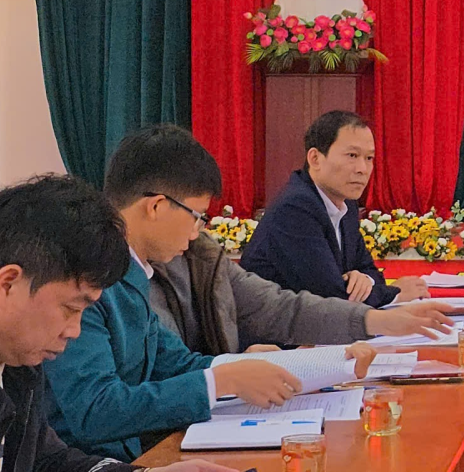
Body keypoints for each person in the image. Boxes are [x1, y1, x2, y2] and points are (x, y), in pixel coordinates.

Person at [44, 126, 373, 460]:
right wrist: (220, 381)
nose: (197, 232)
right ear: (156, 206)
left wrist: (253, 366)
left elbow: (175, 362)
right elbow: (95, 410)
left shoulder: (135, 272)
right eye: (197, 217)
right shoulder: (89, 279)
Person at [0, 174, 234, 472]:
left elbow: (48, 460)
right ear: (8, 284)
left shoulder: (12, 353)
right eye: (71, 308)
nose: (74, 330)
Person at [144, 136, 456, 355]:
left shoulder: (201, 255)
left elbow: (279, 307)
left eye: (369, 158)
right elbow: (158, 379)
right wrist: (226, 371)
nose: (198, 232)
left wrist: (377, 320)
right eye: (197, 217)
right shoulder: (295, 207)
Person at [241, 111, 427, 306]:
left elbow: (369, 270)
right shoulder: (295, 208)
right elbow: (331, 297)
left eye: (369, 158)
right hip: (271, 323)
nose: (362, 169)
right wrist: (395, 293)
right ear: (315, 158)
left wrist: (364, 280)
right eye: (352, 155)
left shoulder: (347, 205)